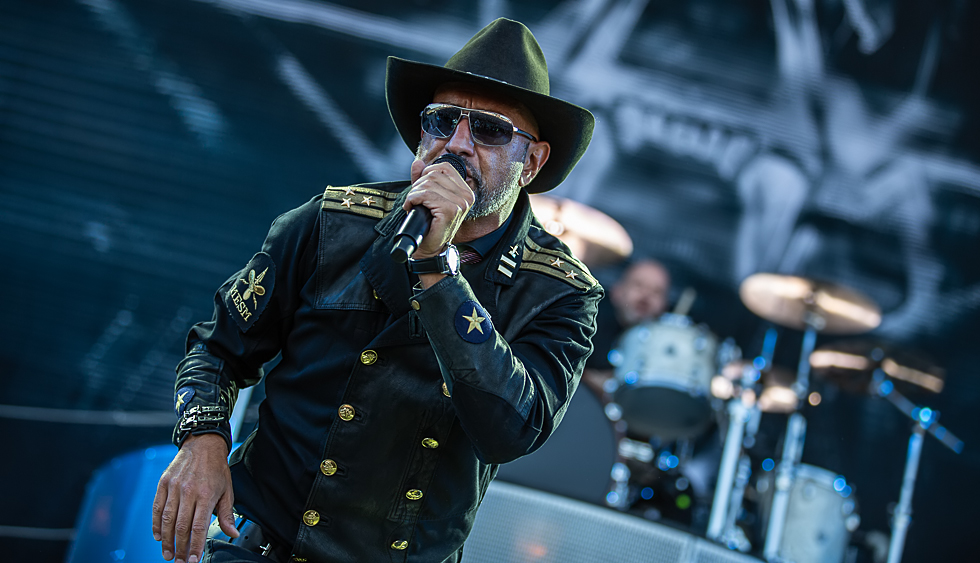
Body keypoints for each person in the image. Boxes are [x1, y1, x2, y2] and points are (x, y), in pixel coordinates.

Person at [151, 18, 603, 563]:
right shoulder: (331, 223)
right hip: (262, 548)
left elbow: (512, 430)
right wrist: (202, 439)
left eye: (489, 130)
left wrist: (438, 268)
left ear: (531, 162)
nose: (457, 144)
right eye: (442, 121)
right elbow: (217, 349)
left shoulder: (561, 292)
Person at [581, 259, 670, 395]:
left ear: (665, 306)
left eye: (656, 292)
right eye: (638, 285)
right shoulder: (586, 322)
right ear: (617, 291)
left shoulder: (666, 347)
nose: (646, 296)